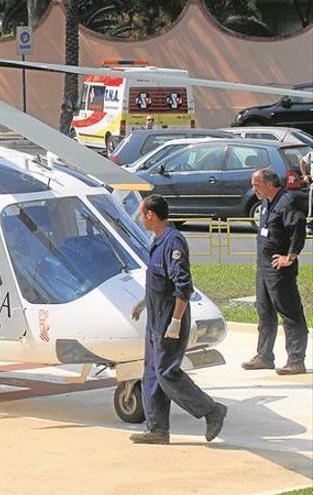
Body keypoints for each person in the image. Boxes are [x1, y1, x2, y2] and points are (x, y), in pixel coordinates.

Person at [129, 195, 226, 445]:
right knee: (151, 372)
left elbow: (183, 287)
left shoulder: (174, 243)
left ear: (150, 215)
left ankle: (211, 410)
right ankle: (157, 429)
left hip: (169, 320)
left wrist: (175, 322)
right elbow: (160, 282)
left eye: (142, 214)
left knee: (166, 373)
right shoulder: (158, 241)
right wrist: (143, 303)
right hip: (155, 317)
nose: (141, 218)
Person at [241, 168, 308, 375]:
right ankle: (264, 356)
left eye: (256, 184)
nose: (254, 189)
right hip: (263, 266)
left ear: (269, 184)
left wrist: (291, 256)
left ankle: (296, 360)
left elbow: (298, 226)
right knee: (264, 311)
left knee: (289, 312)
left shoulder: (286, 201)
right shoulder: (265, 201)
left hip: (279, 268)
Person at [300, 149, 312, 235]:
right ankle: (310, 225)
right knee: (312, 205)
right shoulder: (311, 154)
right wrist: (305, 176)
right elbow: (302, 162)